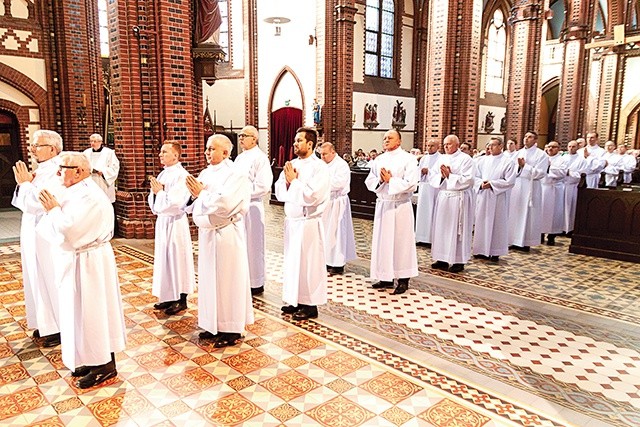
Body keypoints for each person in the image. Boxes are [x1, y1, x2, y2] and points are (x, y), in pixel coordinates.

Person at [37, 152, 126, 389]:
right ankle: (91, 358)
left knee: (94, 312)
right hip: (78, 258)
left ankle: (104, 366)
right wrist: (53, 211)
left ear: (79, 171)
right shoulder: (74, 190)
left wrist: (54, 211)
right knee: (80, 313)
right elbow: (53, 230)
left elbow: (71, 232)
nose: (58, 172)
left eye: (62, 168)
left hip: (90, 261)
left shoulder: (89, 196)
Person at [185, 134, 253, 347]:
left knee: (228, 281)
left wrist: (201, 195)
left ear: (225, 152)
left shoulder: (236, 174)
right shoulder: (205, 172)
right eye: (206, 148)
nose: (207, 152)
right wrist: (194, 197)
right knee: (209, 280)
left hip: (227, 235)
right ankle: (212, 324)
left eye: (211, 148)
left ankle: (231, 329)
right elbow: (196, 200)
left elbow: (225, 203)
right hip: (208, 236)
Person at [11, 130, 66, 348]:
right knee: (35, 276)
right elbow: (25, 200)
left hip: (47, 233)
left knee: (49, 277)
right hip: (33, 231)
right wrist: (26, 183)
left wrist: (25, 184)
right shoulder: (42, 170)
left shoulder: (58, 171)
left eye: (37, 145)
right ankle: (44, 323)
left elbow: (38, 202)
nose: (32, 149)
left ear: (53, 149)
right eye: (32, 145)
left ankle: (58, 326)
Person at [275, 128, 330, 319]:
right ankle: (295, 299)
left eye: (299, 140)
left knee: (309, 264)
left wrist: (294, 182)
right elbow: (279, 189)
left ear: (310, 144)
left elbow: (314, 195)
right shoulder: (292, 164)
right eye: (295, 140)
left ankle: (310, 305)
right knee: (293, 263)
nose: (295, 144)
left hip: (308, 223)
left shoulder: (320, 167)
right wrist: (289, 183)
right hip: (292, 222)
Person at [365, 129, 418, 294]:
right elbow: (370, 180)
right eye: (385, 138)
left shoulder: (409, 159)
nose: (386, 140)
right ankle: (385, 277)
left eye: (390, 137)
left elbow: (412, 183)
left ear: (399, 141)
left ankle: (403, 279)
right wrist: (381, 180)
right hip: (384, 205)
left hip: (400, 206)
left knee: (401, 243)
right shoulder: (379, 159)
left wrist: (391, 180)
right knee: (383, 242)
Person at [148, 141, 196, 315]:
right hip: (163, 222)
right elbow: (155, 202)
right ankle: (168, 295)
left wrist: (159, 193)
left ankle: (181, 299)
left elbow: (176, 203)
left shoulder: (181, 175)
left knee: (177, 259)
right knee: (165, 259)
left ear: (176, 155)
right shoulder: (163, 174)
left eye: (164, 152)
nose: (160, 154)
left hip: (175, 222)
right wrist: (156, 194)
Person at [234, 125, 273, 296]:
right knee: (241, 243)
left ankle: (256, 282)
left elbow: (264, 185)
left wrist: (243, 190)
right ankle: (242, 279)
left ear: (255, 138)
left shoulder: (260, 158)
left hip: (253, 206)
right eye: (240, 135)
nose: (241, 138)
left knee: (254, 244)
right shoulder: (239, 158)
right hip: (238, 205)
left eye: (245, 135)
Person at [429, 135, 475, 273]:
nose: (446, 147)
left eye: (449, 144)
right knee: (442, 228)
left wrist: (450, 175)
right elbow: (432, 176)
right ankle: (441, 258)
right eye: (444, 144)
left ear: (457, 144)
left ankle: (458, 261)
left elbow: (469, 180)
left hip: (458, 198)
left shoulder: (466, 159)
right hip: (444, 197)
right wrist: (442, 177)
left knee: (457, 231)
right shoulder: (441, 159)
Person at [472, 137, 516, 262]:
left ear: (501, 146)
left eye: (493, 145)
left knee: (497, 223)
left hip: (497, 197)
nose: (490, 148)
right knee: (481, 221)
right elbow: (475, 176)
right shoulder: (482, 161)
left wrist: (492, 184)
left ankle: (495, 251)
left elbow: (509, 181)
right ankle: (480, 249)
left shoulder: (508, 162)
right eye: (489, 145)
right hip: (483, 195)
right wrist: (480, 183)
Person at [319, 142, 357, 275]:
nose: (322, 157)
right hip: (326, 202)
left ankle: (338, 264)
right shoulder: (322, 165)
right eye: (321, 154)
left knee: (337, 233)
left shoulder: (341, 165)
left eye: (324, 154)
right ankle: (327, 260)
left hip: (337, 202)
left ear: (333, 152)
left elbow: (339, 183)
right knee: (325, 232)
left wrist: (321, 184)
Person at [508, 131, 549, 252]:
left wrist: (525, 166)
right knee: (515, 212)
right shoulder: (518, 153)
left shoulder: (541, 155)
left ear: (536, 140)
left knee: (528, 214)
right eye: (525, 136)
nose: (526, 139)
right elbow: (511, 169)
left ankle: (526, 242)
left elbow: (541, 173)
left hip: (531, 186)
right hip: (517, 186)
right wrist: (519, 167)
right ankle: (514, 240)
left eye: (530, 137)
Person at [540, 141, 567, 246]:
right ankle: (540, 234)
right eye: (549, 147)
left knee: (554, 214)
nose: (550, 149)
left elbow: (562, 173)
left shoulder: (562, 160)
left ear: (558, 148)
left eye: (553, 147)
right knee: (542, 212)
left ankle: (552, 236)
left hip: (554, 188)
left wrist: (549, 167)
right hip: (543, 187)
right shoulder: (543, 158)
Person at [415, 138, 441, 246]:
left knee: (432, 212)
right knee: (422, 212)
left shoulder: (441, 158)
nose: (429, 148)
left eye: (432, 146)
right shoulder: (423, 158)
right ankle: (421, 237)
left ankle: (430, 238)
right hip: (424, 187)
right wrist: (421, 172)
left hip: (434, 189)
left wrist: (429, 172)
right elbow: (418, 172)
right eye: (428, 146)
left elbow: (440, 174)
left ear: (438, 147)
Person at [83, 134, 120, 203]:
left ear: (100, 142)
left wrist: (103, 172)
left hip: (103, 181)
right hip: (91, 180)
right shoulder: (86, 153)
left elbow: (114, 167)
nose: (92, 143)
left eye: (95, 141)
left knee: (105, 201)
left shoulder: (108, 152)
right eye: (91, 141)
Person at [562, 140, 587, 236]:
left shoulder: (581, 160)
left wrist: (569, 172)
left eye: (573, 146)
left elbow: (582, 174)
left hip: (572, 186)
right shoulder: (563, 158)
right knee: (561, 208)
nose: (571, 148)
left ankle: (569, 228)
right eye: (569, 146)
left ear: (577, 148)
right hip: (562, 185)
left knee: (570, 208)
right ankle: (560, 228)